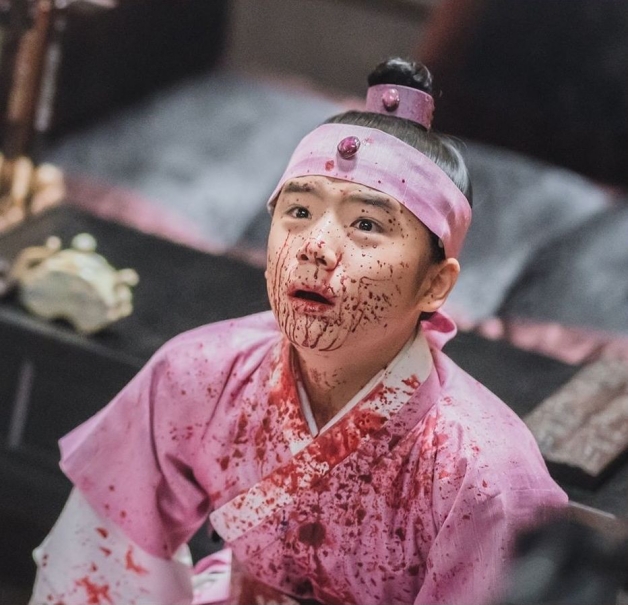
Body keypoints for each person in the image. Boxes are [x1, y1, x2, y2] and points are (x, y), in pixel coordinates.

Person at [29, 58, 567, 605]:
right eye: (300, 211)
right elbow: (100, 561)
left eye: (366, 224)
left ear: (434, 284)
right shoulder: (201, 373)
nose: (315, 246)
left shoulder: (483, 471)